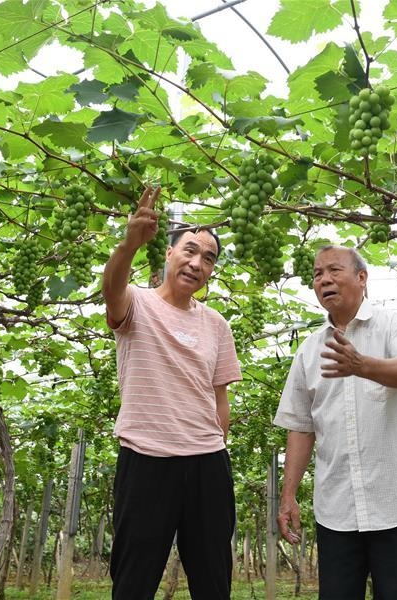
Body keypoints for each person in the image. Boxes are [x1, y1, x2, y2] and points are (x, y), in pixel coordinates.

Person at [273, 245, 397, 600]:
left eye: (334, 270)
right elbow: (301, 426)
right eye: (317, 274)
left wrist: (363, 366)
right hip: (337, 510)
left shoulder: (394, 325)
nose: (324, 279)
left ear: (362, 278)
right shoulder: (308, 350)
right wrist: (288, 496)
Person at [101, 185, 242, 600]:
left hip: (207, 463)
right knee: (133, 580)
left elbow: (220, 398)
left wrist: (215, 445)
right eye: (190, 251)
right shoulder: (136, 304)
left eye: (209, 258)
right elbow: (111, 289)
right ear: (168, 253)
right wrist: (129, 244)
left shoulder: (216, 324)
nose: (198, 263)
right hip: (146, 460)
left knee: (213, 578)